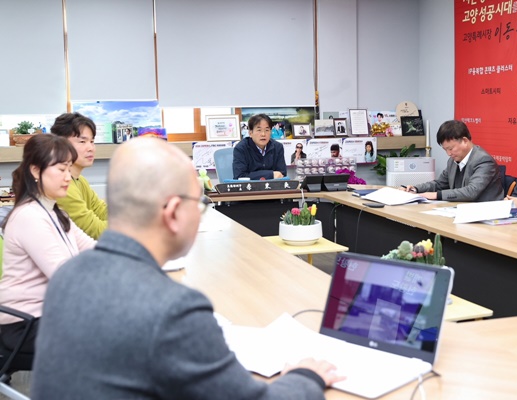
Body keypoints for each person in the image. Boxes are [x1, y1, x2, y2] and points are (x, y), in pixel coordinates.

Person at [31, 138, 342, 399]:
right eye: (199, 204)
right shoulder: (175, 310)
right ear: (173, 213)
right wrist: (306, 376)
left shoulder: (68, 276)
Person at [0, 135, 95, 353]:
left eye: (69, 169)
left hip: (49, 315)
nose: (68, 177)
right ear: (35, 170)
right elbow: (65, 276)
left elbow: (93, 247)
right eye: (61, 169)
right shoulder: (29, 216)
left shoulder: (55, 213)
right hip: (25, 324)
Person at [404, 120, 503, 201]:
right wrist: (416, 189)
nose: (448, 153)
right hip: (460, 209)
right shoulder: (453, 161)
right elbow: (440, 184)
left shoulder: (483, 160)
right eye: (445, 149)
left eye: (451, 148)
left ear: (465, 141)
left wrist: (436, 195)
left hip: (486, 213)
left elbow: (471, 192)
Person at [51, 112, 108, 239]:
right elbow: (95, 231)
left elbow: (101, 211)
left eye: (92, 141)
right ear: (60, 144)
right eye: (82, 141)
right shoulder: (62, 185)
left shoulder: (80, 180)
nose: (91, 148)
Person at [233, 114, 287, 179]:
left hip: (273, 185)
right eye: (259, 130)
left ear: (270, 132)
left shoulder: (278, 147)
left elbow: (282, 174)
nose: (263, 134)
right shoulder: (241, 148)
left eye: (267, 130)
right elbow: (239, 176)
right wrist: (270, 174)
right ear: (250, 133)